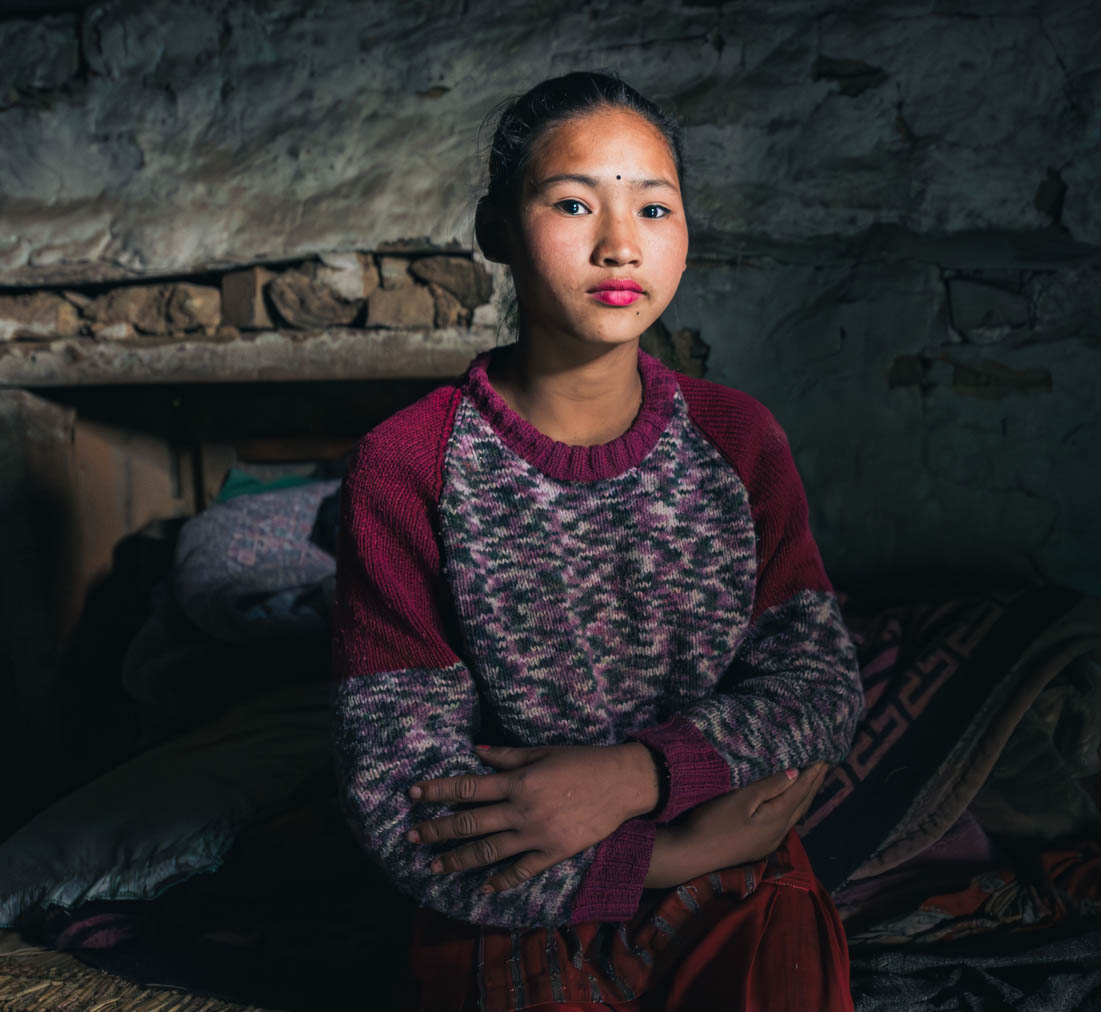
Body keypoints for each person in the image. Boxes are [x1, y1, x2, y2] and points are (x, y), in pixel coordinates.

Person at [331, 70, 863, 1011]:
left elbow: (818, 689)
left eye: (655, 209)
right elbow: (399, 796)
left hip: (735, 883)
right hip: (513, 891)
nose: (621, 245)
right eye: (574, 203)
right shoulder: (406, 465)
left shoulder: (738, 440)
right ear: (497, 230)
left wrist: (640, 774)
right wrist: (669, 852)